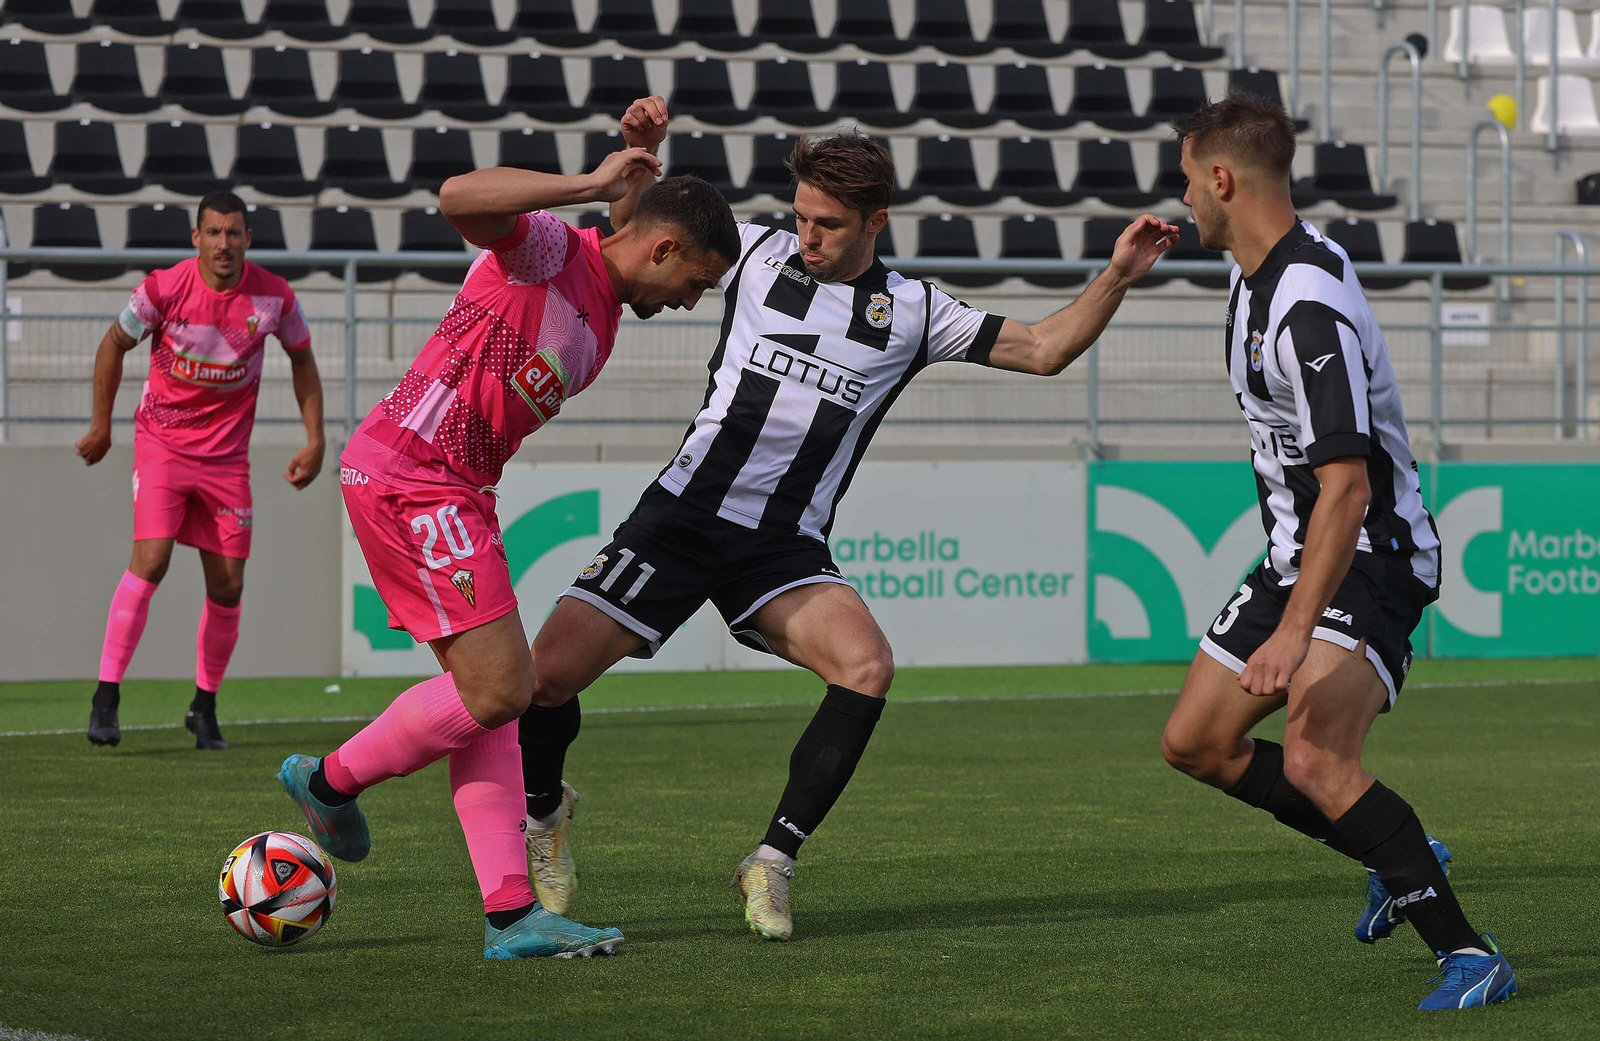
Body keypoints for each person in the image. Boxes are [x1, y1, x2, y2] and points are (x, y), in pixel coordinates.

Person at [513, 95, 1178, 941]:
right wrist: (638, 155)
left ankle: (772, 862)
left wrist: (1116, 275)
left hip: (781, 546)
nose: (808, 236)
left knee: (866, 666)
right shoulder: (754, 255)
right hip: (680, 517)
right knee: (543, 680)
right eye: (800, 217)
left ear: (876, 222)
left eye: (828, 223)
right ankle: (545, 818)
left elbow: (1044, 349)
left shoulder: (913, 310)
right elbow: (637, 256)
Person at [278, 149, 740, 959]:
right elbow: (459, 196)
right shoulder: (554, 250)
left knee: (492, 699)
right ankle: (326, 782)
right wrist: (596, 185)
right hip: (413, 476)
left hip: (457, 490)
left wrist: (627, 173)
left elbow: (627, 219)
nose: (690, 300)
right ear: (663, 249)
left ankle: (511, 916)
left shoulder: (603, 311)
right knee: (504, 689)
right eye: (696, 283)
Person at [1157, 91, 1515, 1010]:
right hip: (1298, 550)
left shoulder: (1304, 305)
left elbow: (1349, 487)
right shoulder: (1254, 272)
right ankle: (1391, 849)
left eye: (1189, 177)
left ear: (1223, 177)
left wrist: (1297, 630)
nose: (1184, 195)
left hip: (1372, 551)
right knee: (1196, 742)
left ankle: (1470, 955)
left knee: (1317, 757)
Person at [78, 191, 324, 751]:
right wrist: (102, 424)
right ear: (196, 239)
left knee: (229, 585)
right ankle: (106, 697)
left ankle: (204, 707)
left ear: (247, 240)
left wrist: (316, 439)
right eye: (213, 233)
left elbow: (302, 360)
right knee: (153, 559)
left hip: (227, 460)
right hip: (162, 445)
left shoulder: (274, 297)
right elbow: (113, 345)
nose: (223, 244)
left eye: (233, 233)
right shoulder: (163, 288)